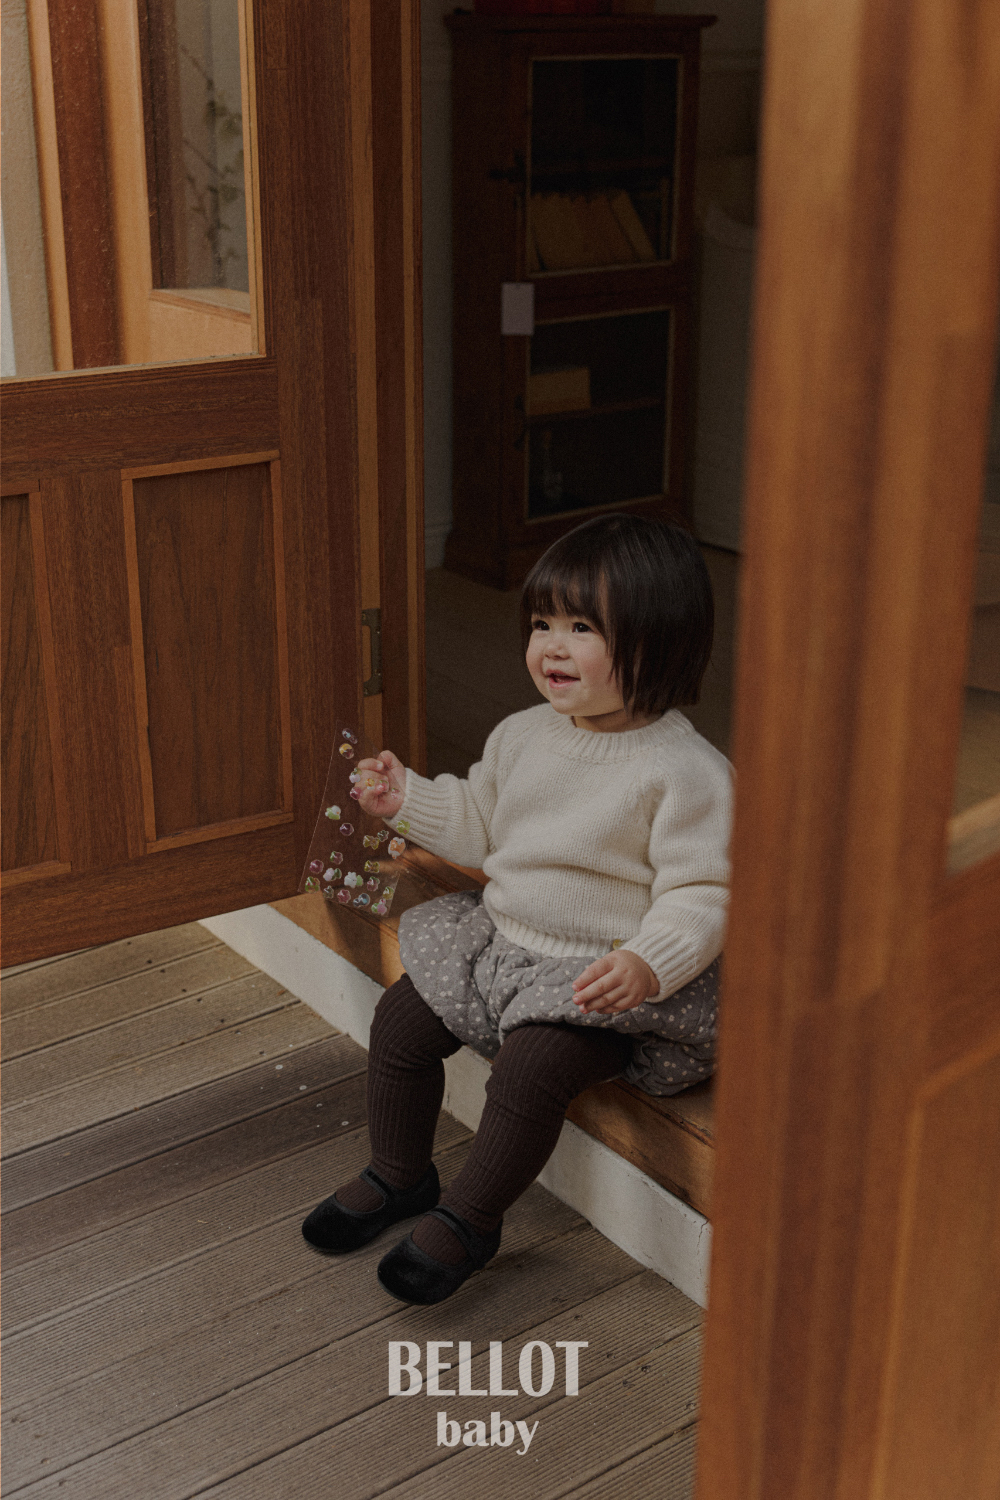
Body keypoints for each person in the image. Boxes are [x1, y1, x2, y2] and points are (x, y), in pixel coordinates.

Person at [302, 513, 733, 1305]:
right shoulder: (524, 734)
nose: (551, 647)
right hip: (503, 942)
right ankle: (399, 1173)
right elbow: (480, 819)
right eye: (541, 624)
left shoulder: (686, 772)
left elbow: (703, 893)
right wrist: (407, 801)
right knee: (400, 1023)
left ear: (660, 641)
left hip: (602, 982)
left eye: (581, 628)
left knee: (530, 1072)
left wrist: (648, 962)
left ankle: (471, 1218)